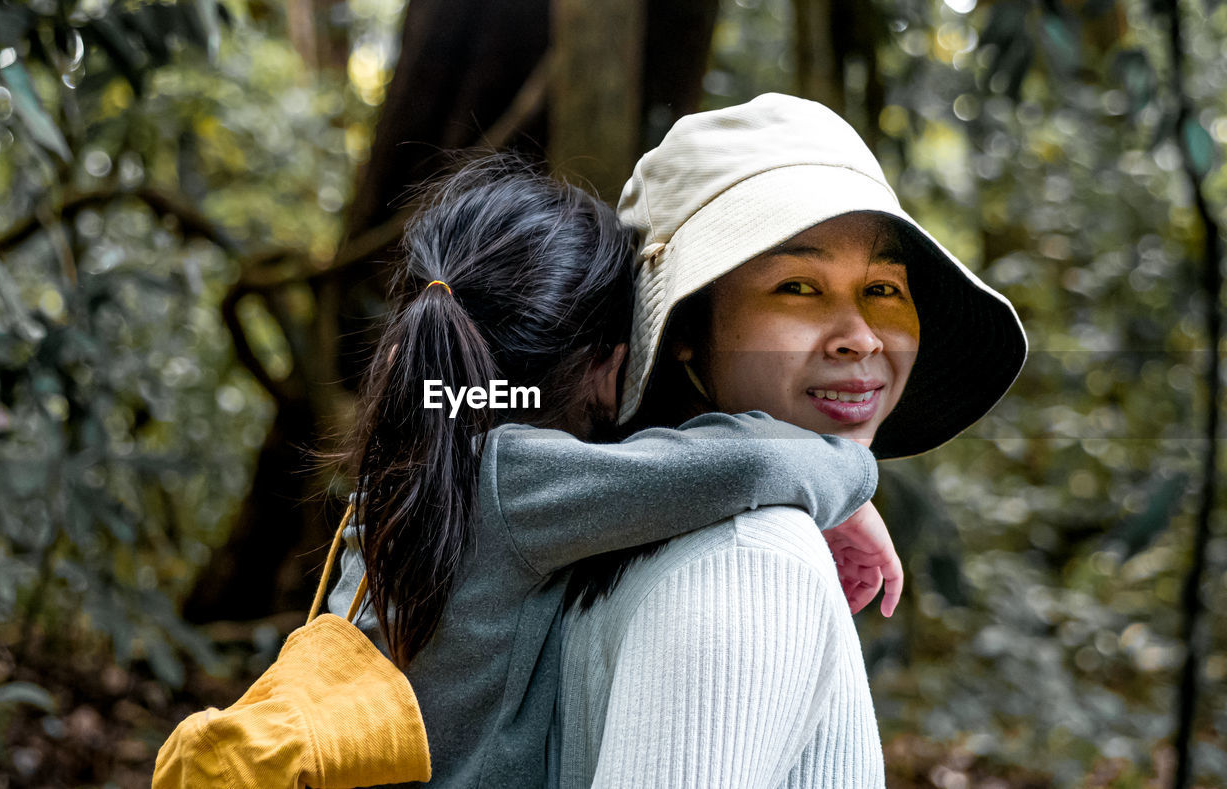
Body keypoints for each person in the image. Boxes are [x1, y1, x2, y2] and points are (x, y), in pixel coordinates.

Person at [325, 154, 905, 787]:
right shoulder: (509, 479)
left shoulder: (417, 461)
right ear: (609, 369)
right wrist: (849, 480)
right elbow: (741, 464)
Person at [554, 93, 1028, 788]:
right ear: (683, 330)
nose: (861, 335)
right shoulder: (750, 562)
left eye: (883, 288)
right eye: (800, 286)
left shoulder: (607, 528)